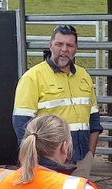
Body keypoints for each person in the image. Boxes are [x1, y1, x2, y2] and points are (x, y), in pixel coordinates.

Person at [12, 24, 103, 178]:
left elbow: (94, 119)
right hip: (48, 164)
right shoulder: (33, 77)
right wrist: (37, 160)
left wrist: (89, 155)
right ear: (50, 45)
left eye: (69, 45)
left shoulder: (84, 76)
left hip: (81, 161)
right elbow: (21, 124)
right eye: (59, 44)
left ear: (76, 49)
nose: (64, 50)